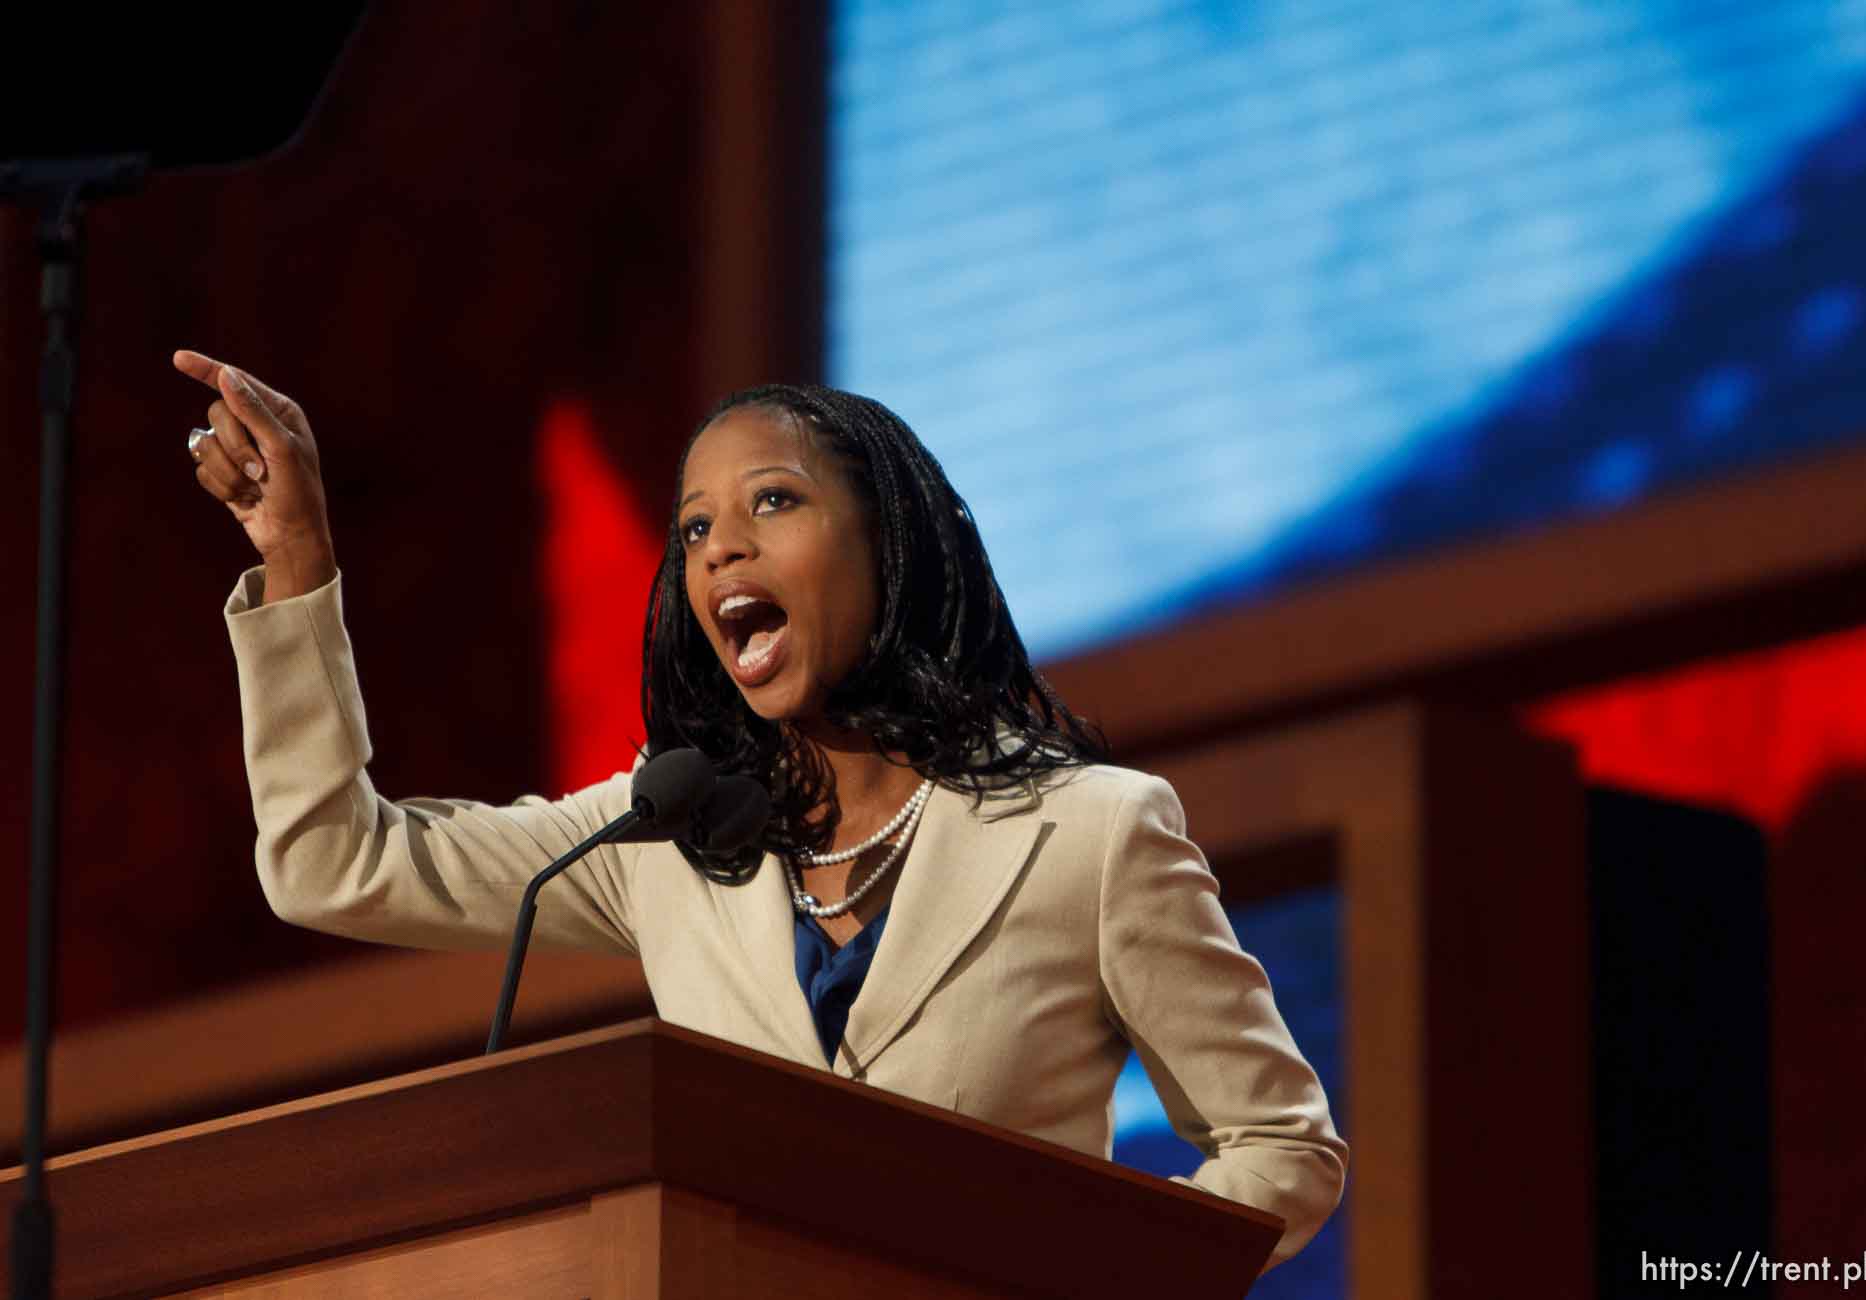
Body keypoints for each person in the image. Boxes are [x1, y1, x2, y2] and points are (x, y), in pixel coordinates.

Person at [176, 350, 1348, 1270]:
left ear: (888, 546)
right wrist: (295, 556)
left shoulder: (1093, 833)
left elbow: (1281, 1147)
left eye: (771, 501)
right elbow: (334, 861)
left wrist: (1079, 1274)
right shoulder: (672, 842)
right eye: (692, 528)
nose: (720, 545)